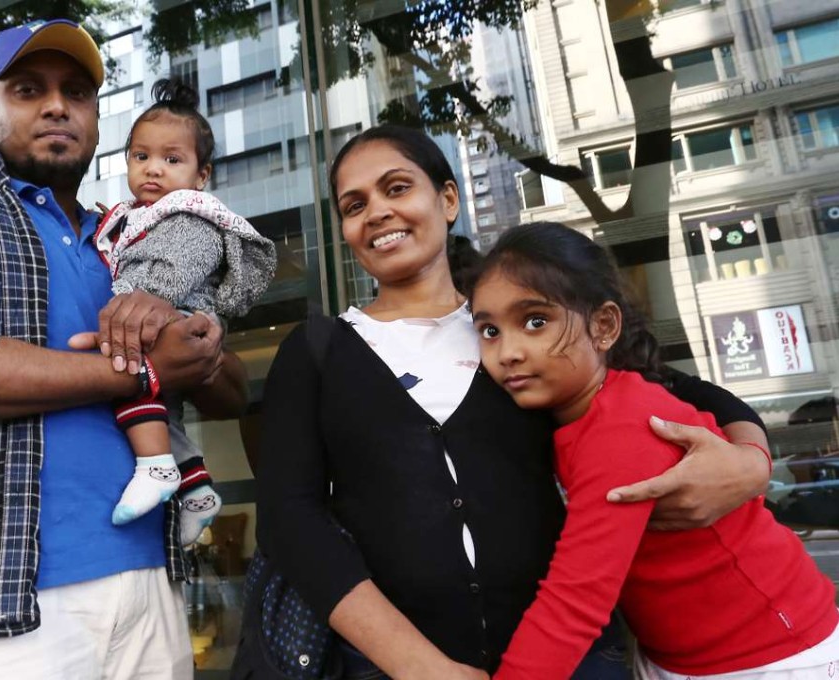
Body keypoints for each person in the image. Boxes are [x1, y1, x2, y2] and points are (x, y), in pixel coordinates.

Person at [253, 125, 773, 679]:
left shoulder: (520, 325)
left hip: (575, 656)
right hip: (392, 670)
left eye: (397, 187)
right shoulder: (315, 350)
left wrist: (750, 464)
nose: (377, 211)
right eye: (355, 205)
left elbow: (689, 392)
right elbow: (289, 519)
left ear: (448, 199)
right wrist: (415, 664)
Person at [0, 18, 247, 679]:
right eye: (29, 89)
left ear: (95, 119)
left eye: (77, 92)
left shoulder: (130, 240)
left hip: (153, 582)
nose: (57, 104)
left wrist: (198, 345)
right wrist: (138, 371)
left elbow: (228, 390)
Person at [470, 222, 839, 680]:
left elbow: (575, 602)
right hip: (681, 656)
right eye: (488, 330)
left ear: (603, 326)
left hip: (771, 653)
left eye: (535, 321)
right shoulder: (572, 417)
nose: (508, 351)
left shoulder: (622, 426)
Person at [96, 78, 276, 535]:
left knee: (127, 381)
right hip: (164, 319)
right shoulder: (141, 213)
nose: (153, 169)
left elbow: (170, 274)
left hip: (171, 317)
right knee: (163, 409)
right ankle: (195, 485)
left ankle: (157, 467)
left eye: (171, 160)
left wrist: (126, 298)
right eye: (142, 157)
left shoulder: (193, 214)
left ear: (201, 175)